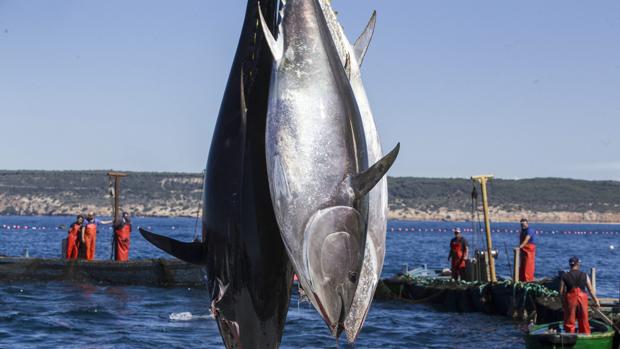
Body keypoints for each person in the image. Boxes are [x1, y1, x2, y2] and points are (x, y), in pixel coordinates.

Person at [559, 256, 600, 334]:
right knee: (584, 319)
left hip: (570, 299)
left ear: (570, 265)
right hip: (582, 298)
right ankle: (585, 336)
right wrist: (596, 300)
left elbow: (561, 292)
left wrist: (563, 303)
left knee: (570, 320)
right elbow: (590, 290)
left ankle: (570, 336)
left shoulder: (564, 276)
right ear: (578, 264)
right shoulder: (585, 275)